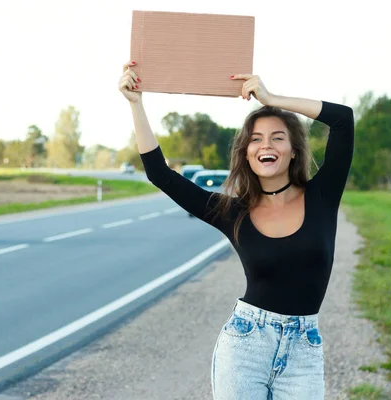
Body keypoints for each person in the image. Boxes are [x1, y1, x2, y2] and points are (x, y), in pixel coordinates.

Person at [118, 61, 354, 400]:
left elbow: (343, 118)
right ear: (247, 154)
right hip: (245, 346)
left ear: (293, 151)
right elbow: (159, 173)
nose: (266, 145)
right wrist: (136, 103)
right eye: (256, 139)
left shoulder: (322, 195)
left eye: (277, 138)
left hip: (304, 349)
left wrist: (271, 98)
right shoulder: (232, 212)